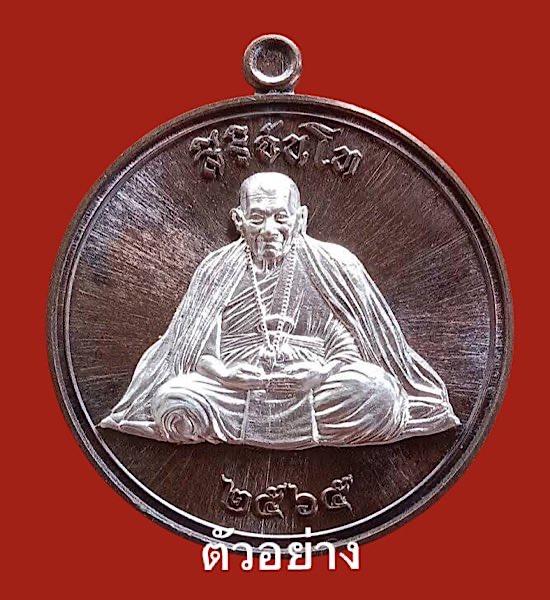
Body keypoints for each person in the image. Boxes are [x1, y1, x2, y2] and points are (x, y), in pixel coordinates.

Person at [99, 172, 459, 449]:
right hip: (237, 391)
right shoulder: (217, 269)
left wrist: (321, 372)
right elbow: (201, 352)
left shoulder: (331, 265)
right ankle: (273, 426)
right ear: (239, 220)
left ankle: (259, 429)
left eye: (280, 217)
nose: (269, 229)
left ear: (300, 219)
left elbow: (347, 343)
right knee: (172, 398)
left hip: (312, 387)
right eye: (257, 218)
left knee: (379, 392)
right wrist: (227, 375)